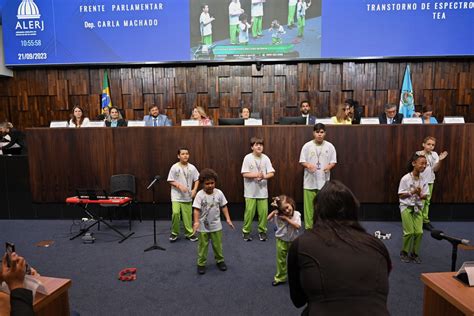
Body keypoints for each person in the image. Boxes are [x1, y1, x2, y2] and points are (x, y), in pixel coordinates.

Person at [288, 180, 391, 315]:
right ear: (354, 209)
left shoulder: (301, 244)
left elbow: (298, 300)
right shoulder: (377, 245)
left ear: (317, 211)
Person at [192, 168, 235, 275]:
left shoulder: (219, 193)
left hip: (216, 225)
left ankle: (220, 261)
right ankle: (201, 263)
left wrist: (228, 219)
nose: (210, 185)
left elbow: (224, 206)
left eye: (212, 183)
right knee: (203, 246)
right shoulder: (200, 195)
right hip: (203, 226)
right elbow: (196, 210)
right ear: (202, 184)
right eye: (207, 183)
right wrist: (196, 222)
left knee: (217, 245)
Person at [299, 123, 337, 229]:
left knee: (323, 206)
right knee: (309, 207)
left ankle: (322, 226)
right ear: (313, 133)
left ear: (325, 133)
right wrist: (308, 165)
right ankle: (309, 227)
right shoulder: (307, 146)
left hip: (323, 180)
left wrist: (329, 167)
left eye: (321, 132)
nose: (319, 134)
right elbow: (302, 161)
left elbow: (333, 161)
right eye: (317, 132)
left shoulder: (330, 146)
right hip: (309, 181)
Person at [241, 137, 275, 241]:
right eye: (256, 144)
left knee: (263, 212)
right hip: (250, 192)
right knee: (249, 212)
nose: (259, 146)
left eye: (261, 144)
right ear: (252, 147)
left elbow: (272, 173)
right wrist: (256, 174)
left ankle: (262, 231)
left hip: (262, 191)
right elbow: (244, 173)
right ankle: (246, 231)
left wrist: (264, 176)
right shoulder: (247, 158)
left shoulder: (266, 158)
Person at [398, 154, 429, 264]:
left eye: (425, 164)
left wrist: (420, 194)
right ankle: (404, 252)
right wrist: (412, 192)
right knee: (409, 232)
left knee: (419, 232)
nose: (424, 166)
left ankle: (414, 254)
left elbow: (426, 195)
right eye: (422, 163)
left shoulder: (423, 179)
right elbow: (400, 195)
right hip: (406, 207)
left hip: (418, 207)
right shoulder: (405, 178)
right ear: (414, 163)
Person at [167, 147, 200, 242]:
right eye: (183, 154)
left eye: (187, 153)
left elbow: (197, 179)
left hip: (187, 196)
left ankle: (189, 233)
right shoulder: (174, 167)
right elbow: (170, 180)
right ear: (178, 156)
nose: (185, 155)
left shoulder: (192, 167)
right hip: (176, 195)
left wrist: (194, 189)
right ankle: (174, 233)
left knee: (187, 216)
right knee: (176, 213)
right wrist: (179, 185)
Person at [267, 195, 301, 286]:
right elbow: (268, 218)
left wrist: (286, 219)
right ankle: (280, 277)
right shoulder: (279, 215)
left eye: (287, 207)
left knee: (294, 260)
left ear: (291, 203)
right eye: (283, 210)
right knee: (281, 260)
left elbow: (298, 226)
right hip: (281, 240)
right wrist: (275, 211)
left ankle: (296, 277)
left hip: (293, 241)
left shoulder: (296, 214)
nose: (286, 211)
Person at [416, 136, 448, 231]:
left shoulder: (434, 155)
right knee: (420, 201)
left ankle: (425, 221)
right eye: (429, 144)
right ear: (423, 144)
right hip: (420, 182)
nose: (431, 146)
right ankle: (418, 221)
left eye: (433, 145)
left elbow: (435, 169)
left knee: (427, 202)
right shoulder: (418, 154)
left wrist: (440, 160)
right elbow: (416, 168)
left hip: (430, 181)